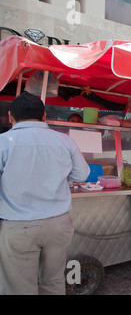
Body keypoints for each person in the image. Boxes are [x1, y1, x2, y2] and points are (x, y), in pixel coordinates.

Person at [0, 92, 90, 295]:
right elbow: (82, 174)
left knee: (19, 287)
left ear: (11, 117)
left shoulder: (4, 142)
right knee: (54, 282)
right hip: (58, 224)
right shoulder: (65, 141)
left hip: (18, 225)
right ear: (43, 116)